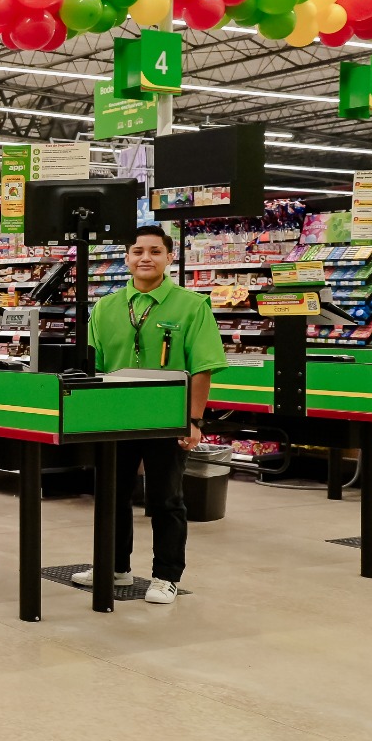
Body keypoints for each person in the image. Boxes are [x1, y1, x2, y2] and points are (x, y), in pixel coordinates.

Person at [76, 224, 226, 605]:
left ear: (169, 258)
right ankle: (114, 566)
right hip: (115, 417)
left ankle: (166, 576)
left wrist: (194, 420)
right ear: (127, 258)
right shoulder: (106, 307)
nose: (146, 257)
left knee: (165, 499)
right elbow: (93, 367)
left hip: (166, 417)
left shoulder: (192, 306)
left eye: (155, 251)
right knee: (112, 495)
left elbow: (203, 367)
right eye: (138, 250)